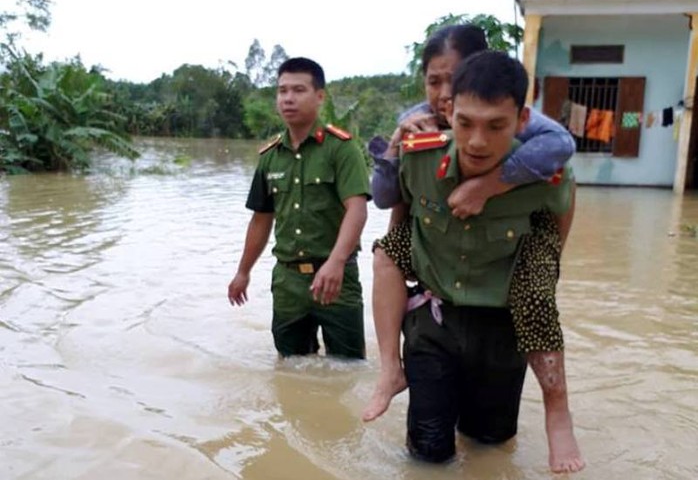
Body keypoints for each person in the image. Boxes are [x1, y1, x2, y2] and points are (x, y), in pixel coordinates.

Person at [363, 25, 584, 473]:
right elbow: (392, 201)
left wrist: (543, 261)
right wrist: (393, 152)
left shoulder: (540, 158)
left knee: (490, 444)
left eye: (495, 126)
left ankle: (557, 410)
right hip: (435, 310)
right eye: (436, 84)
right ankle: (390, 369)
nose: (478, 140)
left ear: (518, 121)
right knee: (427, 452)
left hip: (502, 319)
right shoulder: (417, 143)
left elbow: (562, 199)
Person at [228, 57, 371, 359]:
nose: (288, 98)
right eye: (282, 91)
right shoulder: (270, 157)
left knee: (347, 369)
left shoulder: (341, 149)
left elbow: (357, 209)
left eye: (298, 90)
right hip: (288, 282)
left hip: (336, 278)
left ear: (320, 96)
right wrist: (243, 272)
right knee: (291, 368)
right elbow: (261, 220)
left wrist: (336, 262)